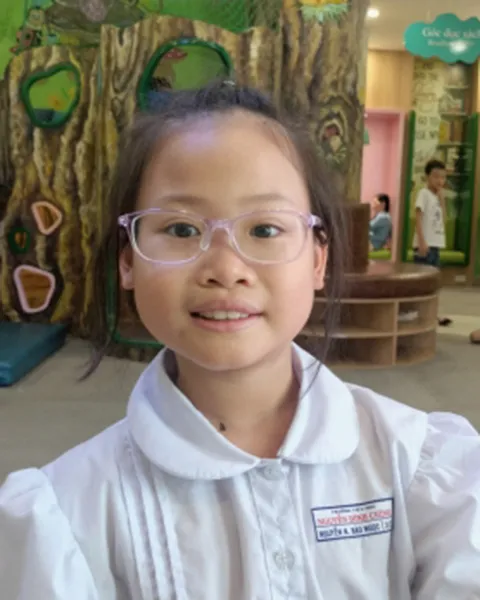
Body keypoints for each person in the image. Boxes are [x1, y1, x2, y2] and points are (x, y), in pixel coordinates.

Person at [1, 82, 479, 599]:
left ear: (317, 259)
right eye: (181, 229)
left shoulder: (422, 467)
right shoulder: (70, 511)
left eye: (265, 230)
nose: (226, 269)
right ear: (128, 260)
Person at [413, 159, 452, 326]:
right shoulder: (423, 194)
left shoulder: (437, 196)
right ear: (427, 177)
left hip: (436, 245)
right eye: (436, 176)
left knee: (434, 282)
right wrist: (421, 242)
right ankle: (420, 313)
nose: (440, 181)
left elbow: (444, 219)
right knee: (423, 282)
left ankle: (432, 313)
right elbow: (418, 217)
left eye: (443, 177)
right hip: (426, 245)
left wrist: (442, 199)